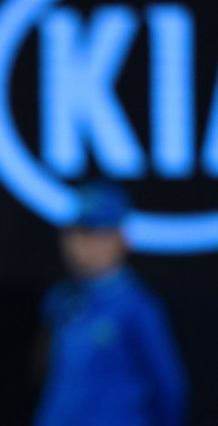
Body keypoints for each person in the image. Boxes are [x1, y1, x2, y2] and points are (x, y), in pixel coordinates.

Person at [33, 180, 189, 426]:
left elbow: (168, 387)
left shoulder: (139, 307)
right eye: (77, 231)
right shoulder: (59, 299)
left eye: (95, 234)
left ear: (121, 239)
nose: (81, 244)